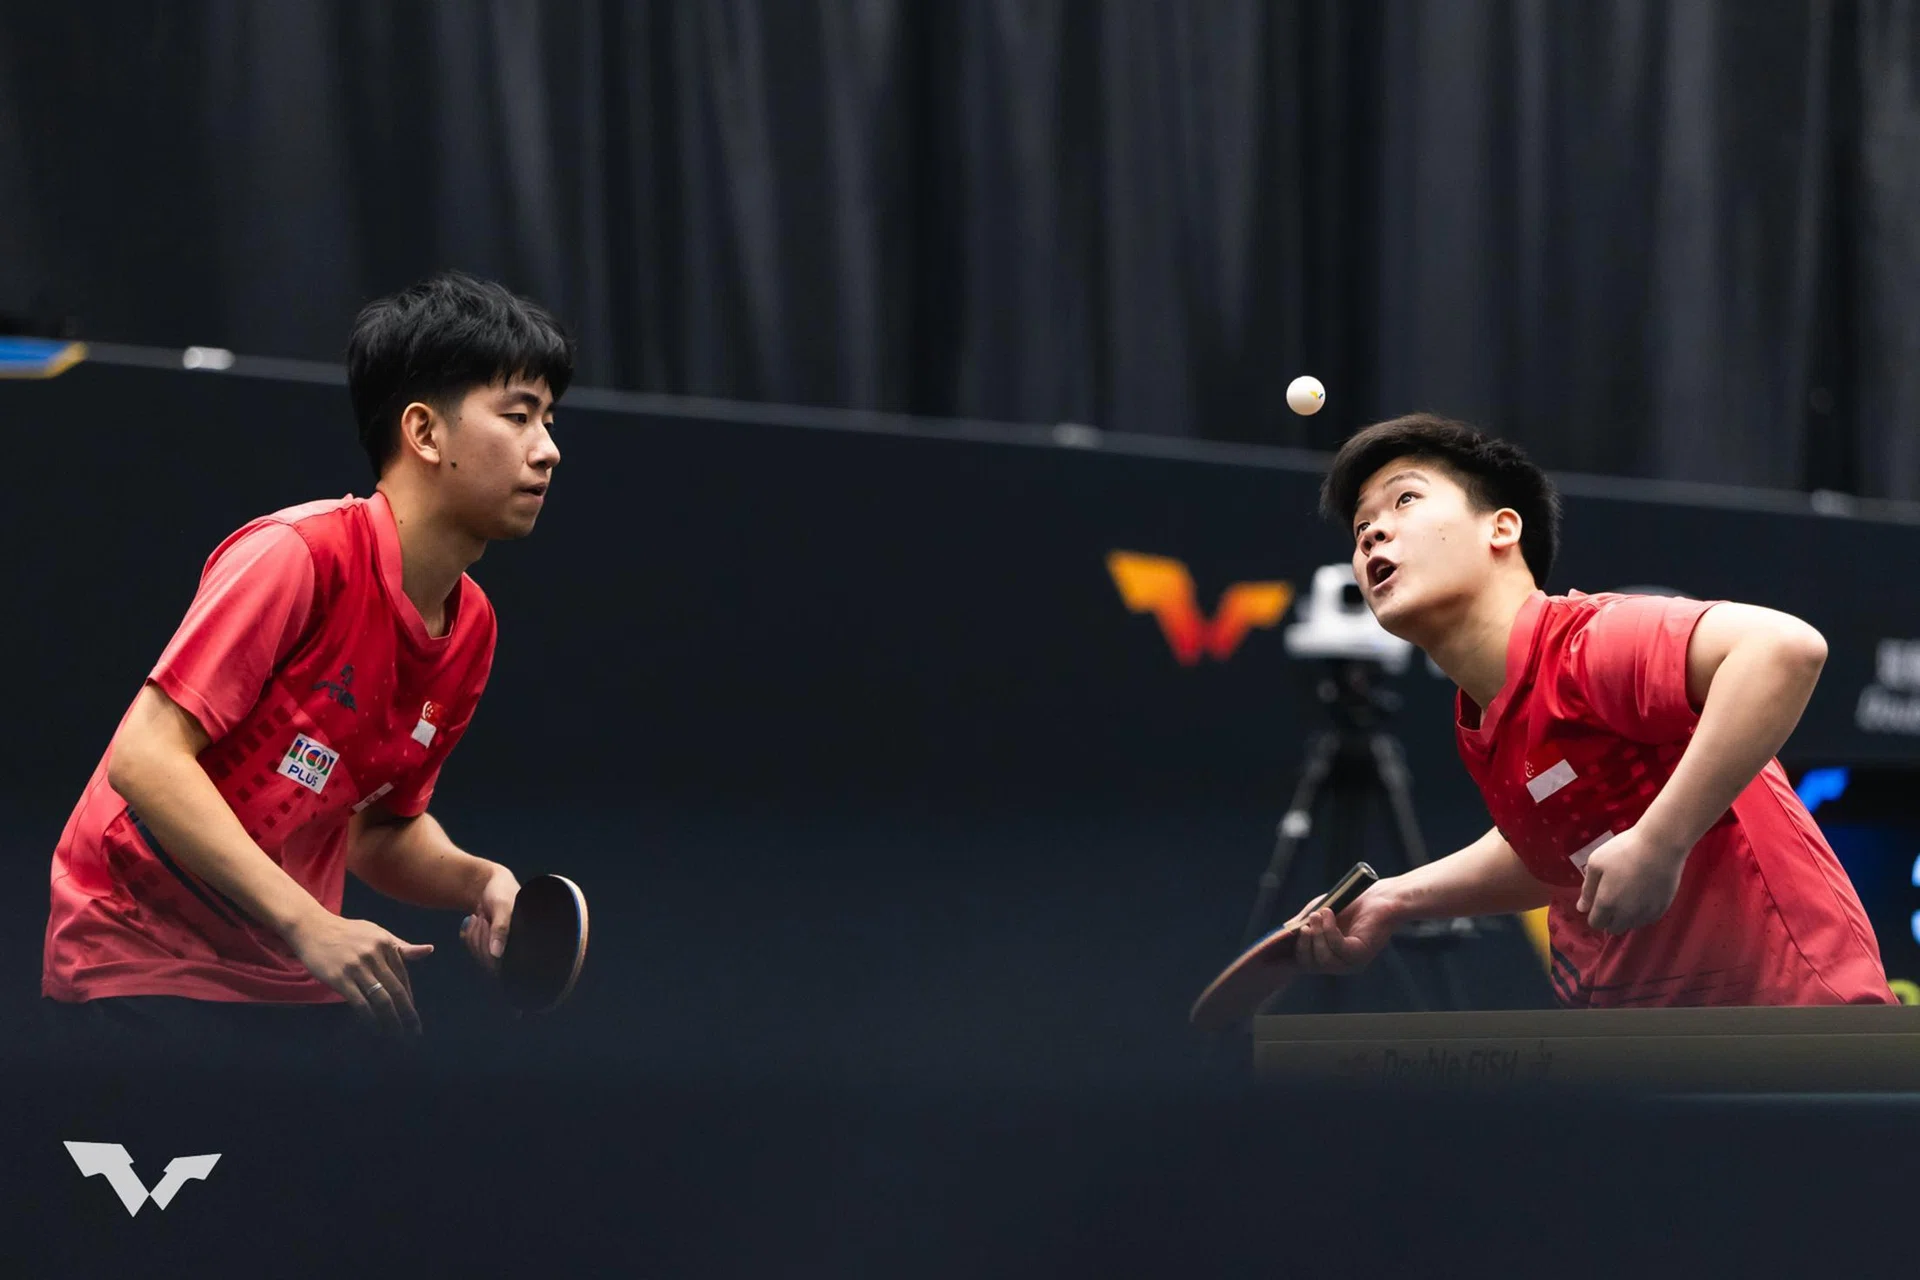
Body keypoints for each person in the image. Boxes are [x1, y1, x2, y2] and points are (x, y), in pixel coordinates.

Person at [41, 271, 572, 1051]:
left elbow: (375, 833)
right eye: (518, 417)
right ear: (425, 433)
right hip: (138, 961)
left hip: (292, 976)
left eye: (550, 420)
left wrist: (480, 879)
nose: (549, 450)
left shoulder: (471, 629)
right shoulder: (297, 556)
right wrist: (307, 922)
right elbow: (145, 759)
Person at [1292, 414, 1893, 1007]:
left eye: (1405, 501)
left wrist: (1660, 843)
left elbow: (1783, 649)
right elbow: (1550, 855)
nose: (1371, 533)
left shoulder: (1591, 642)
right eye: (1362, 525)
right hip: (1643, 1058)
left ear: (1501, 529)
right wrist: (1393, 899)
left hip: (1794, 1034)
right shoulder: (1483, 720)